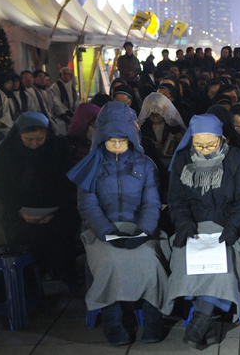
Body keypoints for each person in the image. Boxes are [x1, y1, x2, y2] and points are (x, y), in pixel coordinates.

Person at [67, 102, 169, 346]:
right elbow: (88, 206)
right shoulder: (91, 165)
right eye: (110, 140)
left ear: (131, 138)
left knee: (150, 261)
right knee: (109, 262)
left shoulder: (146, 165)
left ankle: (153, 321)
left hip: (140, 229)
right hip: (102, 231)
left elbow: (151, 204)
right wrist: (107, 232)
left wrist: (143, 231)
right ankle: (113, 322)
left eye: (121, 141)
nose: (116, 146)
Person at [166, 114, 240, 349]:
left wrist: (233, 227)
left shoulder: (236, 159)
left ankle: (201, 317)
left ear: (222, 139)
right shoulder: (182, 159)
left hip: (228, 229)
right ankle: (209, 321)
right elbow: (176, 201)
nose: (204, 150)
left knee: (224, 264)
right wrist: (184, 224)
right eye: (199, 145)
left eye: (211, 144)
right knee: (185, 263)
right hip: (193, 231)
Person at [0, 112, 79, 288]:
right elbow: (3, 189)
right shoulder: (8, 152)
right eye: (29, 139)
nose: (35, 143)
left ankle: (63, 275)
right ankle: (29, 284)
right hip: (19, 212)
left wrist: (54, 210)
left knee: (62, 232)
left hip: (57, 209)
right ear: (19, 134)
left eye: (40, 138)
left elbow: (68, 183)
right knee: (23, 238)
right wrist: (20, 212)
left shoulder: (59, 147)